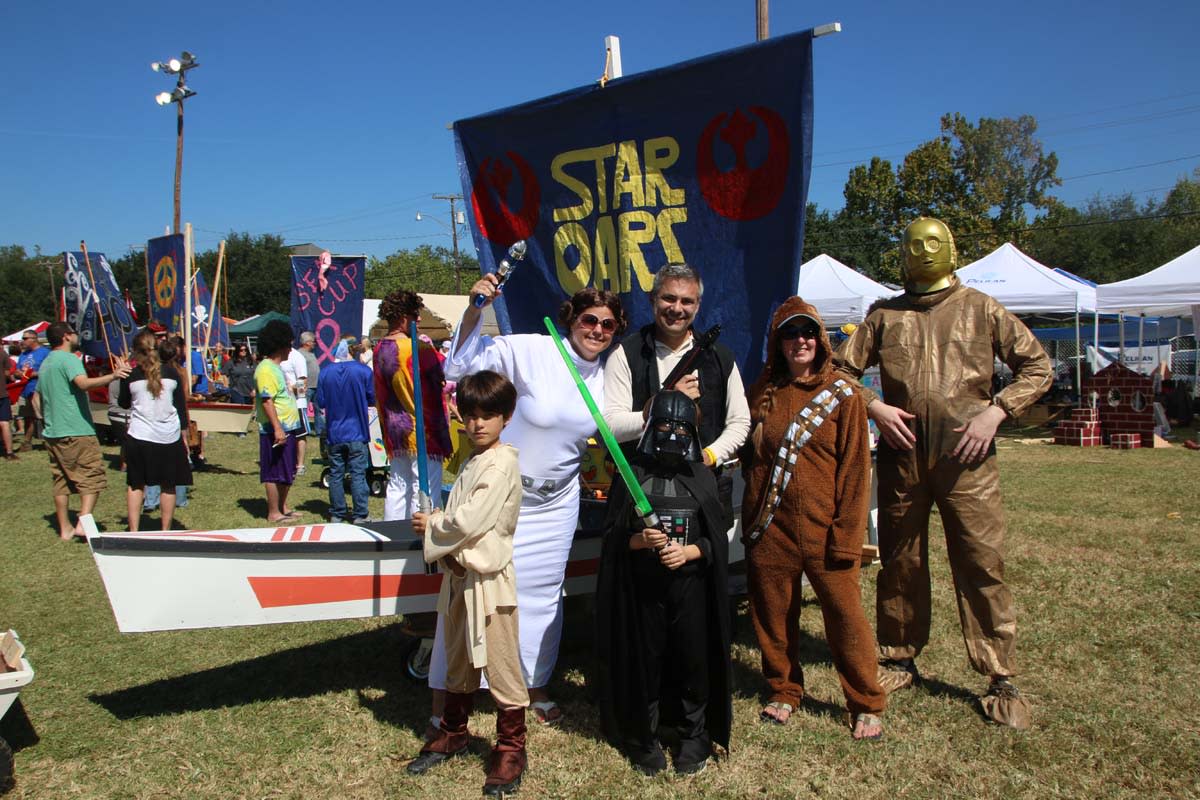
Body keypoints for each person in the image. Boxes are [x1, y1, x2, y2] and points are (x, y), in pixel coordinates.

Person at [834, 217, 1052, 729]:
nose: (923, 251)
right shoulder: (884, 315)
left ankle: (1000, 674)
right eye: (914, 243)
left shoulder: (981, 309)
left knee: (980, 562)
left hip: (967, 462)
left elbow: (1038, 366)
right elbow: (839, 371)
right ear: (902, 253)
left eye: (934, 242)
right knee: (900, 560)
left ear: (951, 249)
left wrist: (997, 410)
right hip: (902, 460)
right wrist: (874, 407)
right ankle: (898, 655)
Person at [435, 278, 626, 726]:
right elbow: (458, 367)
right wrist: (473, 311)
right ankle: (459, 687)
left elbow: (619, 424)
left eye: (609, 325)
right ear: (571, 320)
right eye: (589, 320)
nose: (597, 330)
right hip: (502, 493)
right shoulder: (532, 349)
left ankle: (531, 685)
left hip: (559, 501)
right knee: (476, 587)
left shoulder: (611, 373)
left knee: (541, 597)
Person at [742, 299, 885, 739]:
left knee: (846, 618)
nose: (798, 340)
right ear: (778, 343)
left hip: (827, 531)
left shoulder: (844, 393)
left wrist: (847, 536)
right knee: (773, 615)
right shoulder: (763, 389)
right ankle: (783, 689)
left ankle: (865, 700)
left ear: (820, 340)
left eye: (806, 332)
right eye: (789, 333)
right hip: (770, 528)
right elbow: (748, 455)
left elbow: (857, 471)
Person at [596, 390, 733, 776]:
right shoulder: (631, 474)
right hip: (643, 590)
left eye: (680, 426)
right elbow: (612, 537)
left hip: (690, 589)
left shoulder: (703, 475)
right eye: (664, 425)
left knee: (693, 660)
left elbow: (718, 537)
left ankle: (693, 735)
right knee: (646, 662)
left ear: (693, 430)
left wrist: (690, 552)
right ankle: (644, 736)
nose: (672, 433)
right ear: (649, 427)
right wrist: (639, 540)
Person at [407, 371, 527, 797]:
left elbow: (471, 520)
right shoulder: (475, 459)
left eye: (488, 416)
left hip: (489, 583)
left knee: (501, 666)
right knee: (458, 660)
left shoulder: (502, 463)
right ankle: (454, 731)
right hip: (459, 579)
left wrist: (432, 523)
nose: (478, 424)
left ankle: (511, 749)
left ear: (506, 418)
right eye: (471, 415)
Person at [603, 263, 750, 510]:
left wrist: (709, 457)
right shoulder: (625, 354)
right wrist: (665, 404)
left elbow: (740, 422)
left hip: (702, 493)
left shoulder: (720, 358)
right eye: (668, 298)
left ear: (698, 305)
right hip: (640, 495)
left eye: (687, 301)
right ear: (653, 299)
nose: (677, 309)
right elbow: (609, 428)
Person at [36, 321, 130, 540]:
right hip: (76, 429)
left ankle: (65, 528)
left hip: (53, 431)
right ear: (67, 336)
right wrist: (114, 376)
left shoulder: (46, 362)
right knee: (91, 476)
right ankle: (83, 522)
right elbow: (83, 383)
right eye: (74, 333)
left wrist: (48, 420)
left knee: (61, 481)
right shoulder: (69, 360)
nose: (77, 336)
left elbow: (36, 399)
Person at [374, 289, 453, 522]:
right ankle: (419, 543)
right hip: (423, 430)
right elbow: (445, 373)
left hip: (395, 430)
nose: (418, 319)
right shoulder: (418, 348)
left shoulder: (379, 349)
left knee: (398, 485)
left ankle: (393, 535)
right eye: (414, 315)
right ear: (402, 317)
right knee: (425, 487)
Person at [119, 330, 193, 531]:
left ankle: (134, 531)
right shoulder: (172, 373)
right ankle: (165, 530)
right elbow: (180, 406)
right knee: (168, 484)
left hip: (139, 436)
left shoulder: (131, 375)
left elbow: (123, 403)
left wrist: (122, 375)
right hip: (168, 435)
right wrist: (184, 435)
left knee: (136, 484)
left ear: (136, 351)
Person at [316, 338, 374, 523]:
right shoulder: (364, 371)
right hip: (357, 430)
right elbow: (372, 398)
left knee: (336, 473)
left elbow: (321, 401)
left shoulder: (325, 373)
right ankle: (360, 514)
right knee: (358, 473)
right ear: (354, 351)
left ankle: (337, 513)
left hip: (335, 431)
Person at [254, 319, 307, 523]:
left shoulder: (276, 369)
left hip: (289, 427)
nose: (290, 349)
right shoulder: (266, 369)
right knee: (274, 470)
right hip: (275, 430)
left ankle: (283, 507)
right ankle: (273, 512)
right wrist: (277, 428)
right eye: (288, 345)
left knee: (287, 469)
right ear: (279, 345)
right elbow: (267, 401)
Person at [16, 329, 50, 451]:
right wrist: (18, 373)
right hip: (25, 389)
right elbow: (17, 370)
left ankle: (50, 441)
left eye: (25, 338)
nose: (23, 341)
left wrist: (34, 374)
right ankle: (27, 442)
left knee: (44, 416)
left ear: (34, 339)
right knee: (27, 417)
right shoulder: (23, 354)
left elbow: (49, 370)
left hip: (39, 388)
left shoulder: (45, 353)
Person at [281, 339, 310, 476]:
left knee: (300, 434)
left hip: (297, 403)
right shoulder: (277, 355)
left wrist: (289, 389)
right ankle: (286, 462)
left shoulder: (297, 357)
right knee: (285, 434)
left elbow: (303, 383)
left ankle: (300, 465)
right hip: (281, 404)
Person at [299, 331, 323, 437]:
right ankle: (302, 430)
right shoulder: (299, 354)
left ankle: (320, 431)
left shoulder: (311, 354)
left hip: (316, 386)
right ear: (307, 342)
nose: (314, 343)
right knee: (303, 409)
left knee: (319, 409)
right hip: (306, 387)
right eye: (313, 341)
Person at [0, 344, 17, 460]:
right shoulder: (2, 354)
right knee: (4, 422)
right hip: (2, 392)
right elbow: (7, 373)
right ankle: (9, 452)